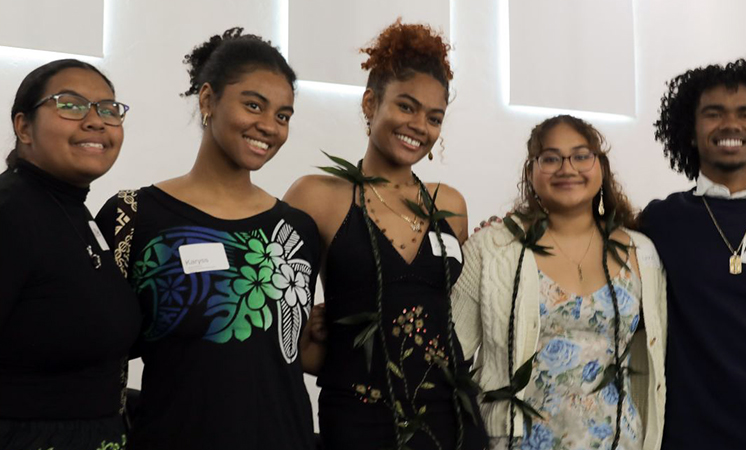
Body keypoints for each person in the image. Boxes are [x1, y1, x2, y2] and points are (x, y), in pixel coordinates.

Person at [95, 28, 323, 450]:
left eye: (283, 115)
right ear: (207, 100)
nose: (269, 126)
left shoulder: (296, 232)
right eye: (253, 105)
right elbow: (92, 349)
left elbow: (285, 356)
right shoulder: (133, 216)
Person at [285, 21, 487, 450]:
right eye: (407, 107)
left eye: (434, 118)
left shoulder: (449, 202)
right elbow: (282, 331)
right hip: (358, 415)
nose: (419, 126)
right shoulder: (316, 196)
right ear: (370, 102)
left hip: (450, 414)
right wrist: (316, 330)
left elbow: (448, 312)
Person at [452, 115, 667, 450]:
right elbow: (449, 356)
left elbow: (657, 355)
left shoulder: (643, 253)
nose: (567, 168)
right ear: (531, 172)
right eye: (550, 158)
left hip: (618, 441)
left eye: (581, 155)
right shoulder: (493, 249)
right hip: (515, 443)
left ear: (601, 168)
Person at [641, 56, 746, 450]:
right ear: (691, 133)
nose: (731, 124)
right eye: (713, 114)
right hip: (685, 436)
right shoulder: (661, 221)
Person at [0, 59, 140, 450]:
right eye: (71, 104)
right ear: (24, 126)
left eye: (109, 109)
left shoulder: (76, 213)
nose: (96, 121)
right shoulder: (10, 212)